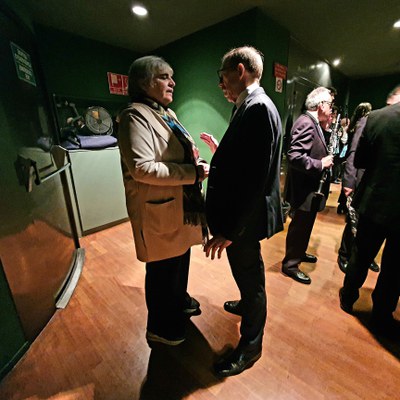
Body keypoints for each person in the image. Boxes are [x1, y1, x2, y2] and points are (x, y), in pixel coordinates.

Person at [118, 55, 209, 346]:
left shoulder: (165, 113)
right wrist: (191, 174)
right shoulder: (134, 116)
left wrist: (195, 162)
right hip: (159, 209)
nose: (172, 82)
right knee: (161, 271)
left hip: (177, 204)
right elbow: (142, 168)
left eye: (172, 77)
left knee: (180, 259)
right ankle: (160, 327)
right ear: (144, 82)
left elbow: (176, 152)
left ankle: (178, 301)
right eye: (164, 77)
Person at [204, 46, 283, 377]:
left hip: (244, 222)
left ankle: (251, 345)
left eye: (222, 78)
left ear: (239, 70)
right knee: (247, 275)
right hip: (244, 220)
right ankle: (248, 306)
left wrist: (231, 232)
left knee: (252, 280)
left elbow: (254, 180)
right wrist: (218, 156)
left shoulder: (257, 107)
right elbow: (246, 160)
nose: (221, 85)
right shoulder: (249, 105)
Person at [339, 99, 400, 339]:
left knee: (361, 254)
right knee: (394, 267)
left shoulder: (376, 118)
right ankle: (382, 313)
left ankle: (348, 296)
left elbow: (361, 160)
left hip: (373, 200)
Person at [282, 87, 334, 284]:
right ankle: (290, 264)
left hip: (310, 189)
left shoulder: (314, 122)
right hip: (304, 190)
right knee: (299, 227)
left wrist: (327, 129)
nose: (331, 109)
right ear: (321, 105)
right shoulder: (306, 122)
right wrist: (321, 164)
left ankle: (299, 253)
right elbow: (294, 156)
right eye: (330, 104)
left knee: (305, 226)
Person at [337, 102, 380, 273]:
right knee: (354, 221)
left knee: (371, 224)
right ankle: (345, 254)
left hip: (377, 182)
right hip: (361, 181)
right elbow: (353, 153)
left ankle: (365, 256)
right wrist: (348, 182)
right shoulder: (368, 121)